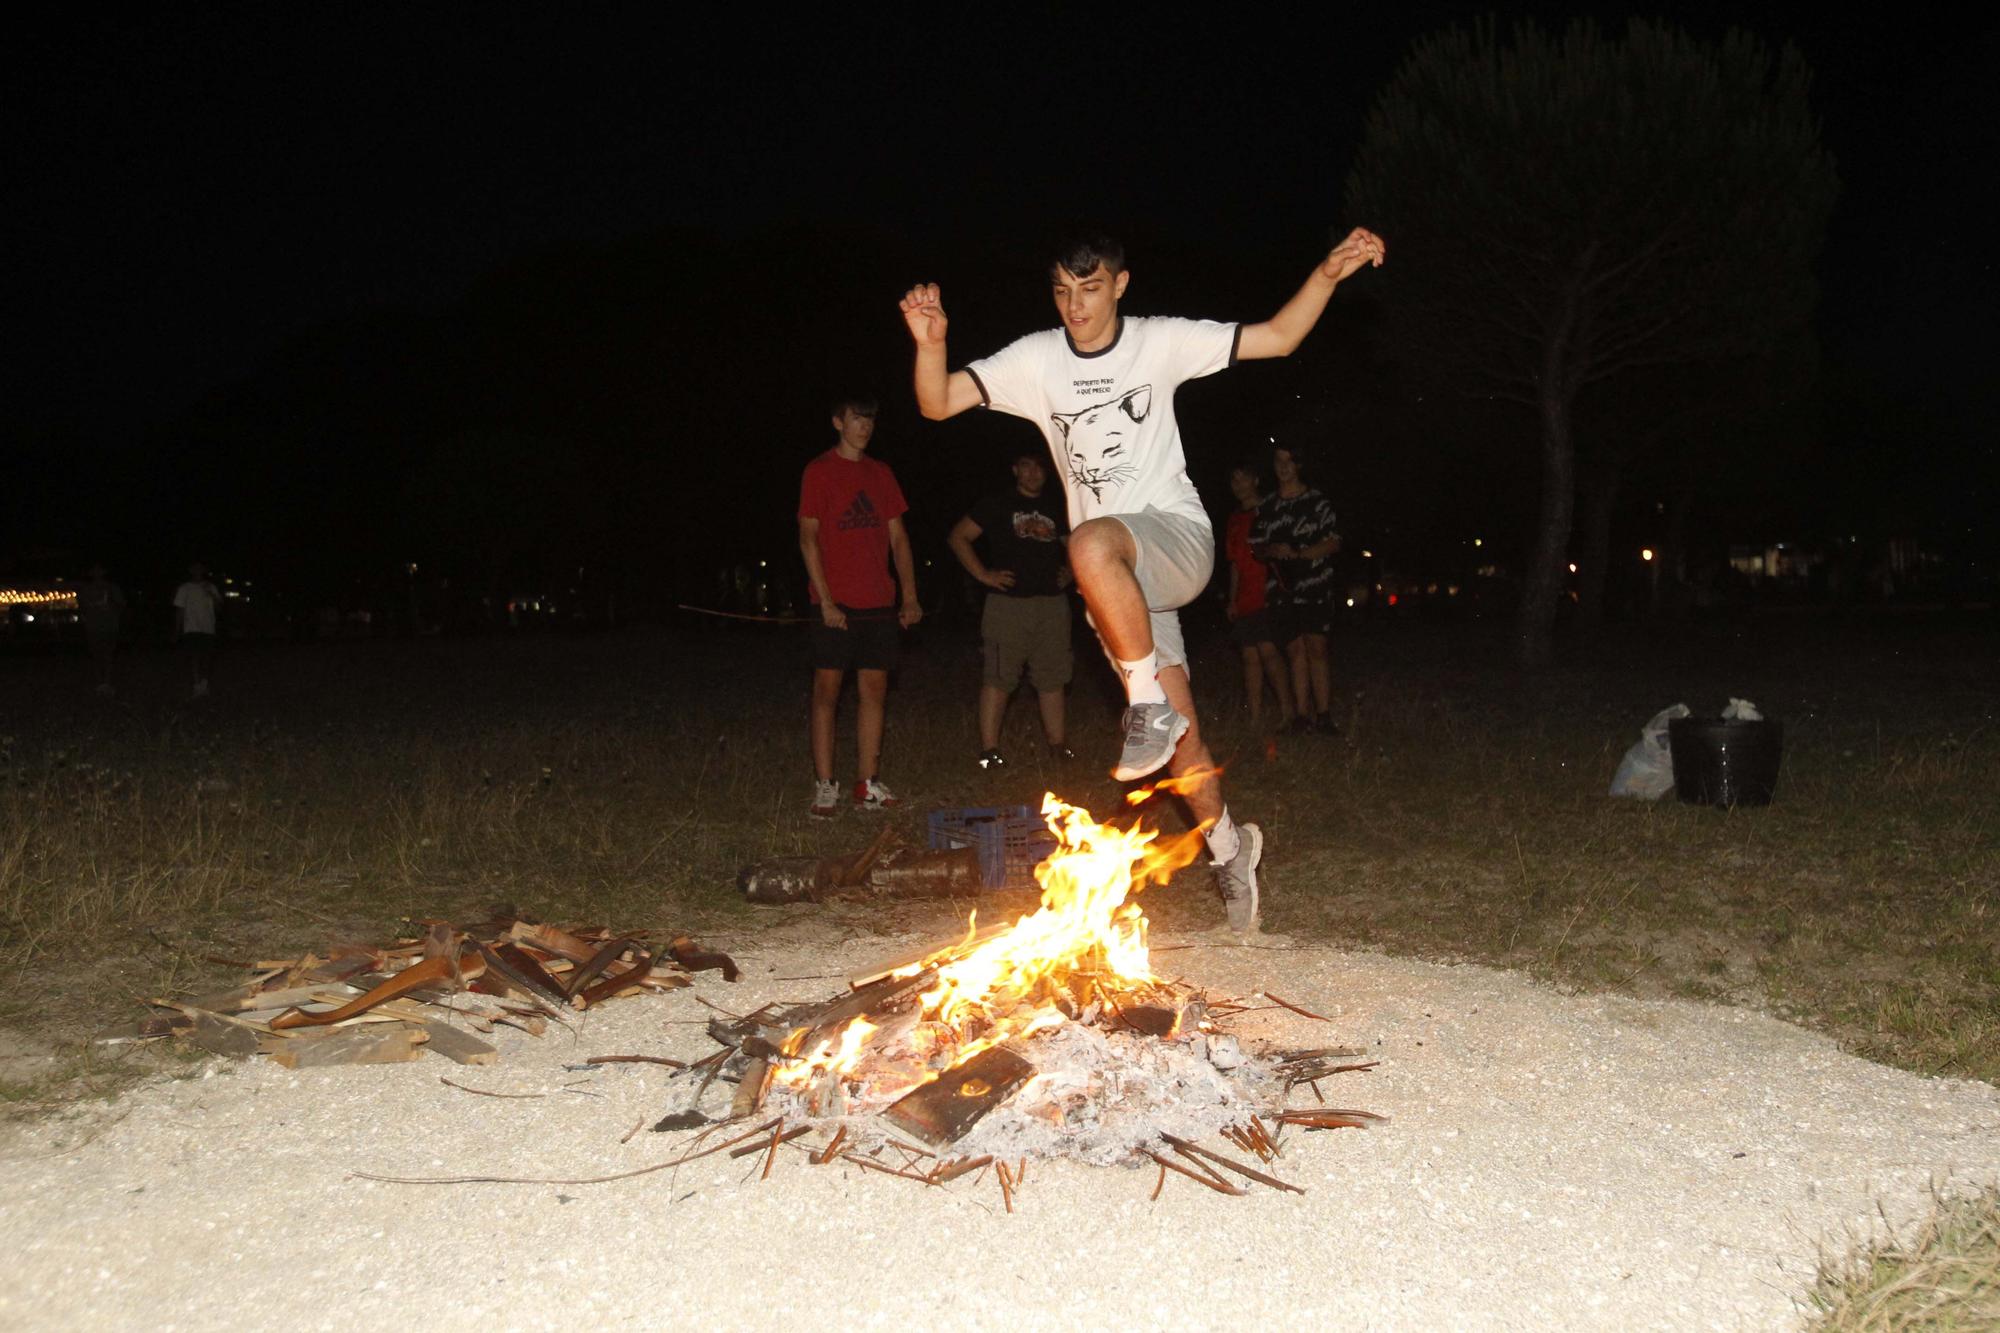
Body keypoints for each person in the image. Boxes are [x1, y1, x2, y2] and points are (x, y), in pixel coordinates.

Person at [899, 226, 1386, 931]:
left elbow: (1278, 336)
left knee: (1089, 542)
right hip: (1116, 589)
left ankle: (1144, 705)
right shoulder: (1037, 360)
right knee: (1182, 743)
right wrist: (930, 340)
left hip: (1174, 539)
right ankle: (1231, 851)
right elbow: (936, 402)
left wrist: (1328, 271)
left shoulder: (1157, 342)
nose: (1076, 307)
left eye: (1090, 290)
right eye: (1063, 292)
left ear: (1120, 285)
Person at [797, 394, 922, 818]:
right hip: (835, 606)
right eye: (857, 419)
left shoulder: (881, 473)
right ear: (838, 421)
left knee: (873, 692)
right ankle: (825, 785)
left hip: (878, 603)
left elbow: (899, 538)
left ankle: (867, 783)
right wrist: (826, 600)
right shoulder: (819, 472)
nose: (865, 427)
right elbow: (808, 538)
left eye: (870, 419)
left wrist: (908, 594)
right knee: (826, 693)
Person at [947, 450, 1076, 770]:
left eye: (1039, 467)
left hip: (1051, 605)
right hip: (1008, 607)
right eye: (1027, 466)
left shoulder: (1056, 507)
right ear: (1015, 469)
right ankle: (989, 750)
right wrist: (983, 574)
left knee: (1052, 676)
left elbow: (1076, 543)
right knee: (1000, 675)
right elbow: (959, 537)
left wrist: (1073, 571)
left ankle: (1058, 746)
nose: (1033, 473)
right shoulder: (997, 503)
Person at [1254, 444, 1342, 734]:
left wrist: (1300, 553)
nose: (1284, 466)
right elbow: (1257, 546)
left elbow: (1333, 541)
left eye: (1290, 461)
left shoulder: (1317, 502)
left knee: (1316, 647)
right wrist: (1272, 550)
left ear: (1299, 465)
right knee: (1294, 650)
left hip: (1314, 585)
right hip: (1281, 589)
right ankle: (1301, 717)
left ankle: (1324, 715)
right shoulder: (1267, 506)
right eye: (1279, 460)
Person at [1222, 464, 1295, 732]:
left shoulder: (1268, 509)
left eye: (1243, 479)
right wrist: (1232, 599)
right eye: (1234, 481)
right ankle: (1254, 718)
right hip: (1244, 595)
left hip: (1267, 589)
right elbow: (1234, 563)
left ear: (1255, 479)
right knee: (1250, 656)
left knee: (1269, 652)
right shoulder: (1234, 519)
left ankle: (1288, 711)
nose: (1239, 485)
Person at [172, 560, 222, 698]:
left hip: (208, 627)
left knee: (207, 657)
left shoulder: (211, 586)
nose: (197, 571)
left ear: (204, 570)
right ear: (191, 570)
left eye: (200, 568)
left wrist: (211, 594)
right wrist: (177, 629)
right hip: (191, 627)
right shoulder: (184, 588)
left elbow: (219, 608)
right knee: (194, 656)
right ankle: (196, 684)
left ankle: (204, 684)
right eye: (195, 568)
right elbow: (180, 610)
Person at [79, 563, 126, 696]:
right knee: (96, 654)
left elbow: (122, 605)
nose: (97, 573)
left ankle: (108, 682)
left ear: (104, 572)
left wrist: (111, 604)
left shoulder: (112, 588)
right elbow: (82, 608)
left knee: (108, 654)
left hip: (110, 625)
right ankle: (99, 683)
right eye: (94, 570)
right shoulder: (85, 589)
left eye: (99, 570)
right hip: (93, 626)